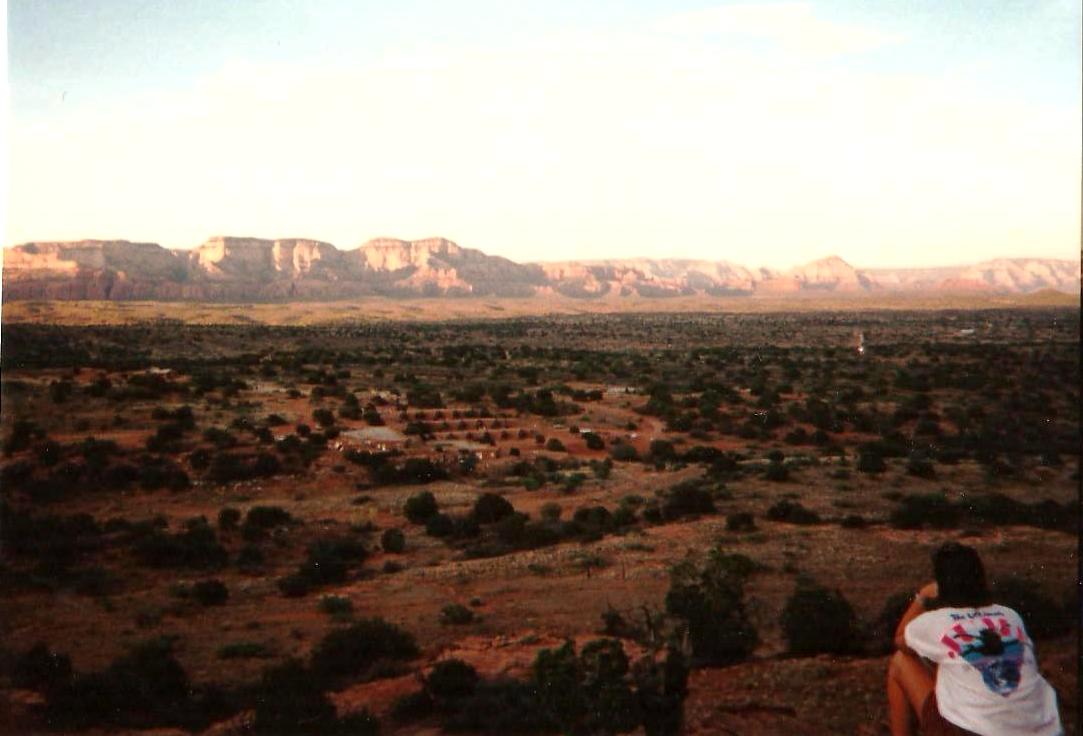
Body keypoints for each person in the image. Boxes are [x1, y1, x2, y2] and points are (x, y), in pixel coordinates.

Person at [886, 542, 1063, 736]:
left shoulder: (937, 621)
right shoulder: (1011, 616)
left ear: (941, 584)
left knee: (901, 662)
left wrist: (922, 597)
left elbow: (899, 640)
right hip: (1046, 730)